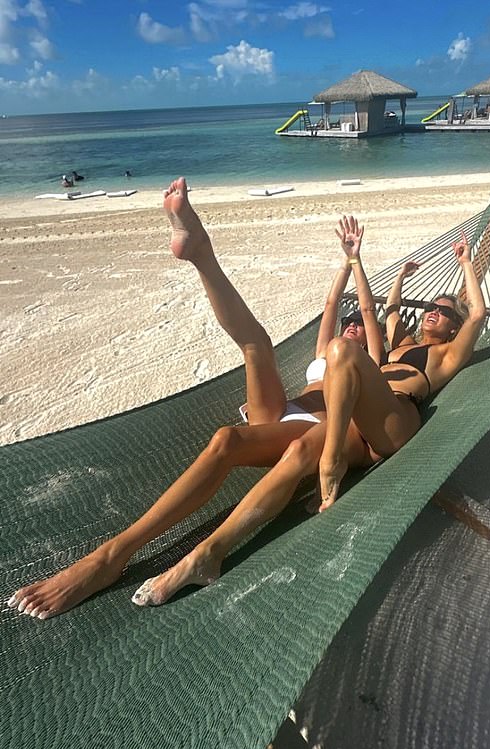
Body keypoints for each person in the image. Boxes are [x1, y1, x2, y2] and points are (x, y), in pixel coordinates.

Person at [7, 180, 382, 618]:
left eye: (358, 327)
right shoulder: (327, 346)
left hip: (323, 428)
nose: (352, 327)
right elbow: (333, 303)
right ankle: (200, 252)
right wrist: (345, 261)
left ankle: (112, 557)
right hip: (285, 415)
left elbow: (370, 314)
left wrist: (359, 264)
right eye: (348, 326)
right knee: (246, 378)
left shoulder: (365, 359)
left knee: (236, 433)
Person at [317, 231, 486, 510]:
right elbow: (391, 310)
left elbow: (478, 314)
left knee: (341, 348)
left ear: (455, 327)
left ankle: (331, 461)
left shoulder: (447, 354)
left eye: (444, 312)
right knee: (298, 451)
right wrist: (399, 277)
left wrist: (466, 263)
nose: (433, 311)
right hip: (366, 417)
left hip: (395, 422)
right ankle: (217, 547)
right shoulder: (403, 344)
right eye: (431, 307)